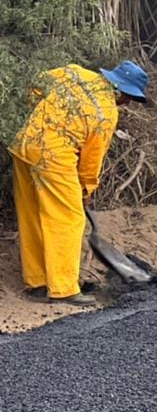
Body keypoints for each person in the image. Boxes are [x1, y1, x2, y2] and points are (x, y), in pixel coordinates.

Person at [8, 60, 148, 306]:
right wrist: (86, 188)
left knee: (32, 213)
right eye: (128, 97)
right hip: (55, 158)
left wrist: (41, 117)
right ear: (118, 89)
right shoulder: (106, 112)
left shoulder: (73, 73)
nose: (127, 103)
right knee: (68, 219)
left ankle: (38, 282)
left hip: (26, 145)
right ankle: (63, 289)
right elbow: (91, 159)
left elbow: (33, 86)